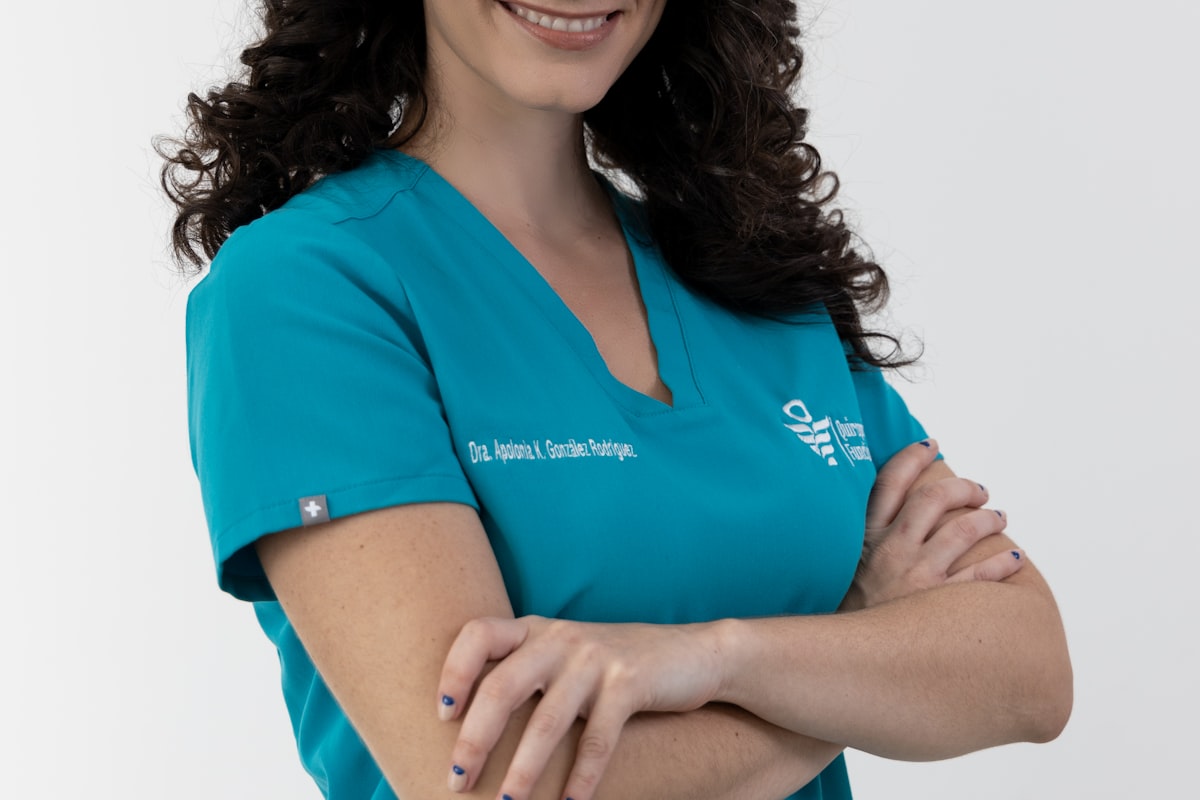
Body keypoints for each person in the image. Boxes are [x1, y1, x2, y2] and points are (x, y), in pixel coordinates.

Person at [163, 2, 1072, 798]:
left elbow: (1028, 672)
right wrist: (858, 654)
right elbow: (489, 780)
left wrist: (717, 658)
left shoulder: (756, 278)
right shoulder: (307, 289)